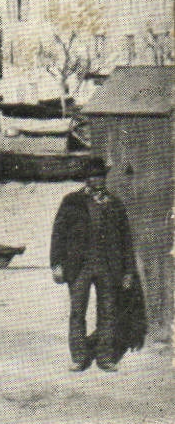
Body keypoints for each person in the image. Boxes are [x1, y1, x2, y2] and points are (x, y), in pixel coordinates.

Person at [51, 157, 142, 372]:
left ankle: (105, 357)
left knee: (108, 312)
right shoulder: (72, 201)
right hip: (79, 267)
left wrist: (128, 271)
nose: (97, 180)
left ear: (105, 178)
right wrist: (56, 264)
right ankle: (79, 357)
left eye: (100, 176)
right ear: (86, 179)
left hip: (108, 267)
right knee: (77, 312)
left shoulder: (115, 204)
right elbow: (58, 234)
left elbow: (126, 240)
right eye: (92, 176)